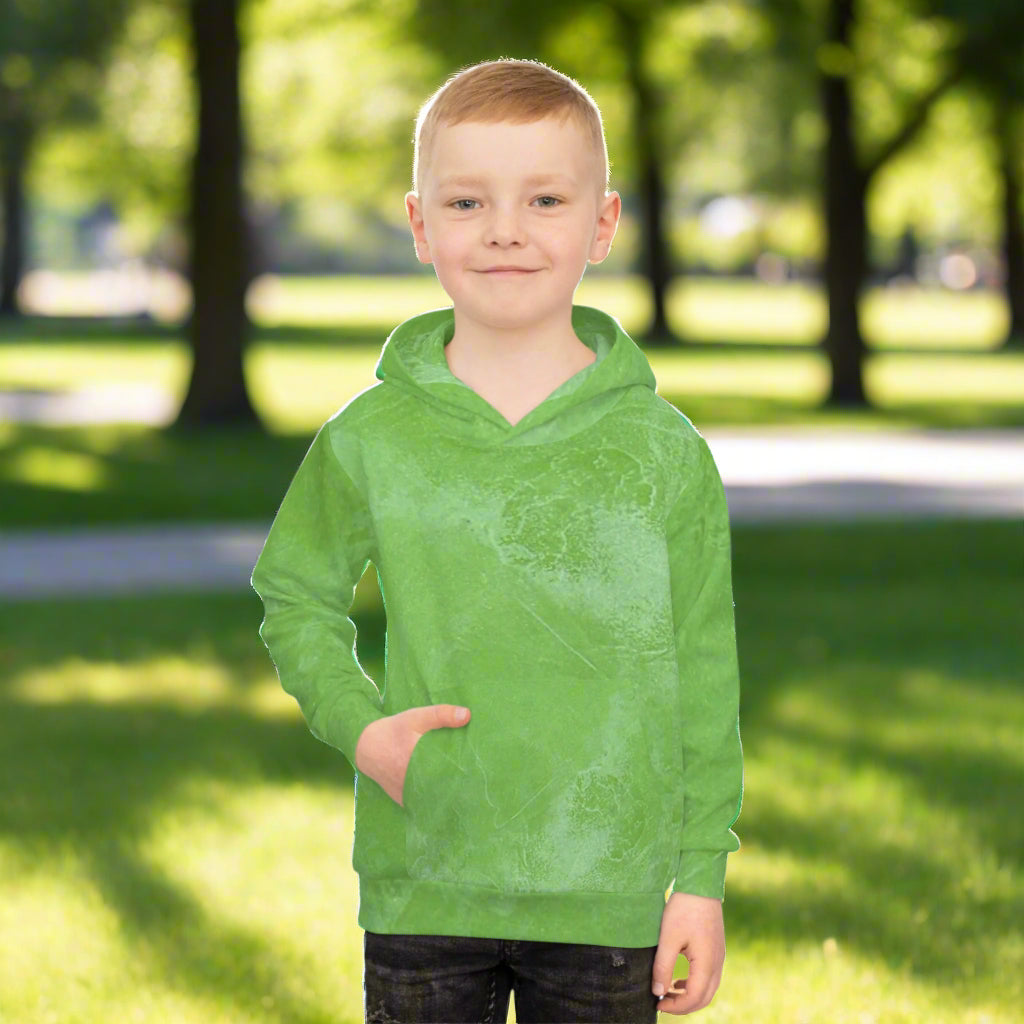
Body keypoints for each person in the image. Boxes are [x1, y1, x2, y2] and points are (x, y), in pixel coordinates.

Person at [251, 57, 743, 1024]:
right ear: (421, 224)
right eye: (469, 201)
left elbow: (705, 668)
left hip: (612, 895)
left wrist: (701, 873)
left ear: (602, 224)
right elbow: (293, 595)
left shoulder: (663, 451)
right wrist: (361, 727)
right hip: (427, 879)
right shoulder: (373, 435)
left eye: (546, 199)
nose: (507, 230)